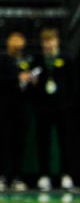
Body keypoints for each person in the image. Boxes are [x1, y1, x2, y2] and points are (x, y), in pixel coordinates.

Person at [30, 29, 75, 191]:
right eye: (45, 41)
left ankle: (66, 175)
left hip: (63, 108)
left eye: (51, 40)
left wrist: (69, 104)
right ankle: (44, 175)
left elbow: (72, 84)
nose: (48, 44)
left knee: (65, 141)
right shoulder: (38, 61)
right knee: (43, 142)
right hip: (43, 108)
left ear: (57, 41)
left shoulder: (66, 59)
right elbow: (31, 86)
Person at [0, 32, 32, 192]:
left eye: (20, 40)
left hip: (21, 110)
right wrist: (17, 79)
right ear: (9, 42)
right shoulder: (1, 60)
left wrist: (30, 81)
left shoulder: (25, 61)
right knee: (3, 143)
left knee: (18, 144)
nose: (17, 44)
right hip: (4, 110)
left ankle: (16, 177)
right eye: (14, 40)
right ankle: (1, 177)